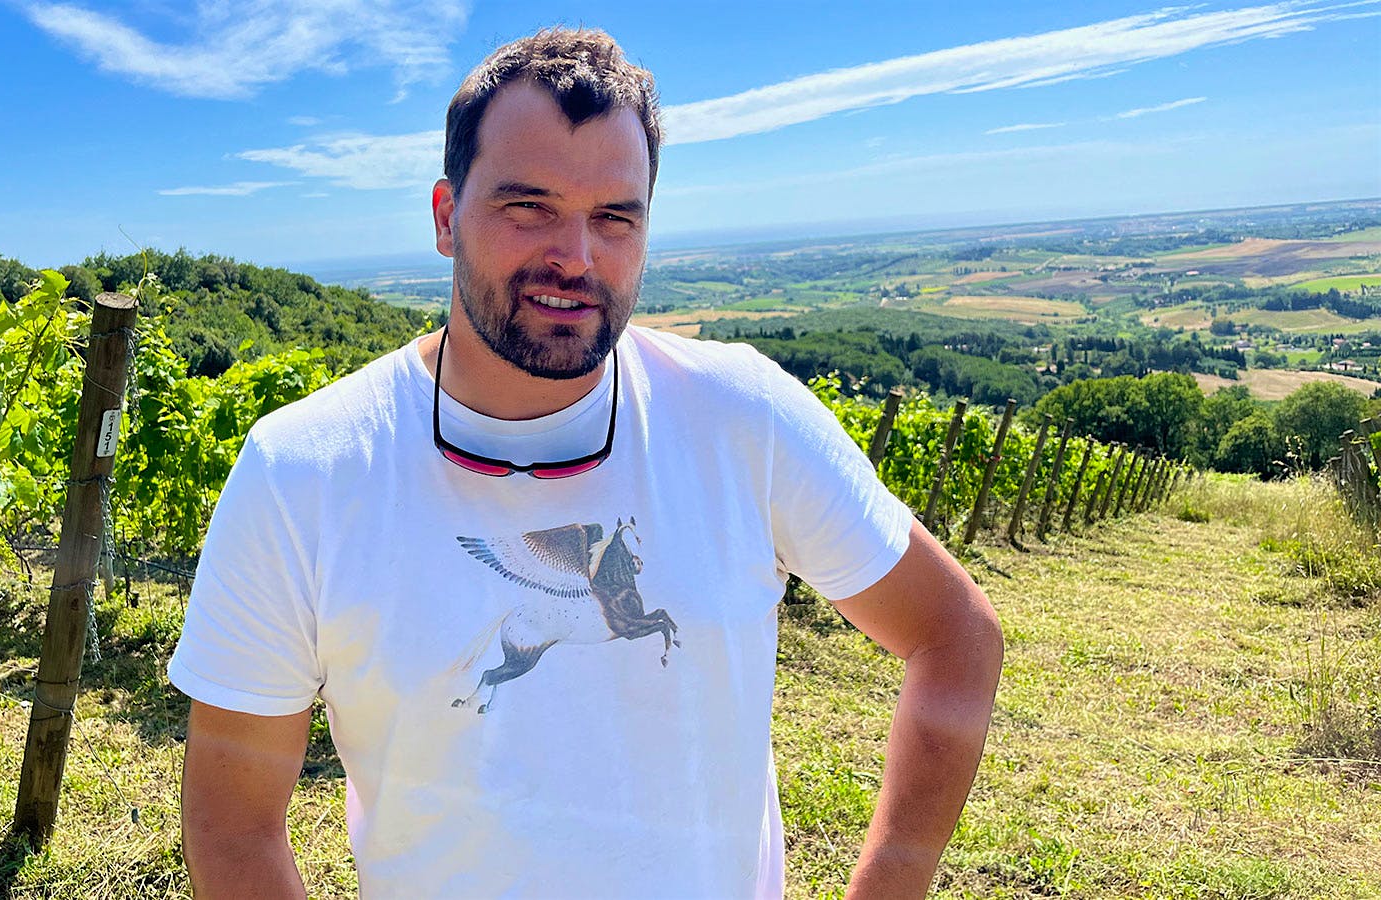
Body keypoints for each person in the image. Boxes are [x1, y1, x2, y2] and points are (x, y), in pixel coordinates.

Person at [168, 27, 1002, 900]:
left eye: (614, 217)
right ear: (447, 217)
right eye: (527, 206)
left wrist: (895, 876)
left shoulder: (742, 418)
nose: (576, 256)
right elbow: (233, 828)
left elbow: (954, 636)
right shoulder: (303, 472)